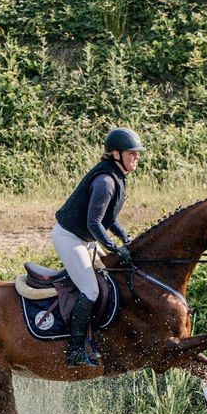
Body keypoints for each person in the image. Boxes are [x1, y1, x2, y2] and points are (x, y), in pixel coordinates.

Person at [53, 127, 144, 367]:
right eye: (132, 153)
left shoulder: (117, 177)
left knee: (112, 279)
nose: (137, 157)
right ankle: (74, 350)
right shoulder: (105, 181)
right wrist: (115, 248)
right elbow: (93, 223)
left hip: (86, 238)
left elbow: (109, 219)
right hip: (70, 238)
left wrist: (126, 239)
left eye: (137, 153)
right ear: (116, 154)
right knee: (91, 290)